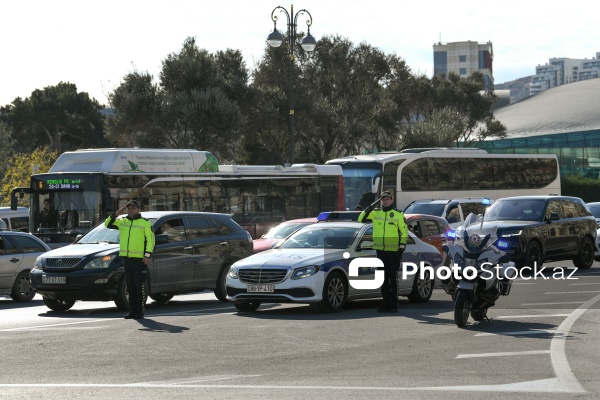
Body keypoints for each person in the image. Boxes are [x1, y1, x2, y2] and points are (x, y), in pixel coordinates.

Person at [358, 191, 409, 313]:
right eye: (383, 199)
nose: (385, 201)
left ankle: (394, 304)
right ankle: (386, 303)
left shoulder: (398, 214)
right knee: (383, 279)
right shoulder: (376, 214)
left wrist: (401, 248)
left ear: (391, 200)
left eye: (387, 199)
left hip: (394, 252)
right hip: (380, 251)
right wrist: (372, 205)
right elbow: (361, 218)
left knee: (393, 278)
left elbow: (404, 232)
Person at [105, 200, 155, 320]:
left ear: (138, 209)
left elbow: (151, 240)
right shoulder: (122, 221)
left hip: (139, 259)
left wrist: (147, 255)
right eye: (129, 208)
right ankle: (132, 311)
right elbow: (107, 224)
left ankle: (140, 311)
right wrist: (116, 214)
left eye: (133, 208)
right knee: (130, 287)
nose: (131, 210)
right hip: (126, 258)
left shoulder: (145, 223)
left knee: (139, 286)